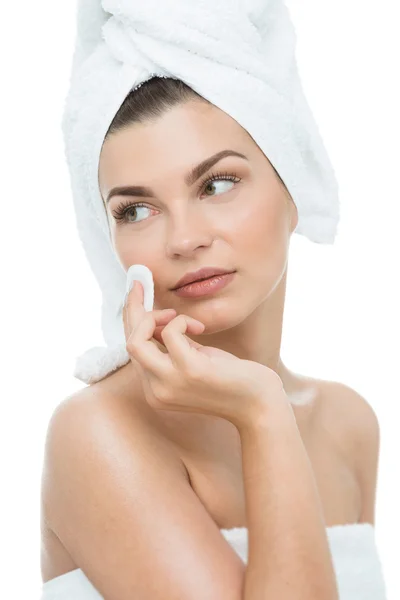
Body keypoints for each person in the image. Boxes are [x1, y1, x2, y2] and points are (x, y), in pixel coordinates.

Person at [39, 77, 386, 600]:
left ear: (294, 188)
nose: (183, 238)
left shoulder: (348, 422)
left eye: (217, 184)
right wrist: (263, 412)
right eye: (135, 210)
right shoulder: (98, 431)